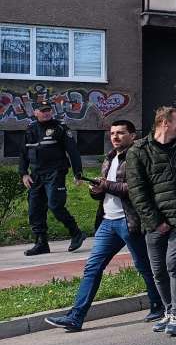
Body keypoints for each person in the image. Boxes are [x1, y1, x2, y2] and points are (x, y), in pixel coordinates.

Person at [44, 120, 163, 331]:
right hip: (108, 221)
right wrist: (96, 190)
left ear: (133, 136)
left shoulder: (139, 157)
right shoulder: (109, 158)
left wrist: (107, 185)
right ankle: (76, 317)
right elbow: (104, 192)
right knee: (92, 267)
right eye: (113, 133)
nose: (115, 137)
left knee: (144, 266)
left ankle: (159, 305)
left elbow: (137, 189)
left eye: (121, 133)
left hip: (130, 221)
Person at [127, 106, 176, 337]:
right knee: (158, 270)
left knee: (174, 265)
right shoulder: (139, 150)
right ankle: (168, 311)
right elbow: (137, 191)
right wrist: (155, 221)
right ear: (164, 122)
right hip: (154, 223)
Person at [20, 100, 86, 256]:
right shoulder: (30, 130)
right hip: (36, 175)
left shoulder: (60, 128)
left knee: (55, 205)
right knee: (34, 209)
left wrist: (78, 173)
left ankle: (76, 233)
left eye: (48, 109)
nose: (47, 112)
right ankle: (41, 243)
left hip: (55, 172)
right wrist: (23, 173)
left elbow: (73, 151)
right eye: (43, 110)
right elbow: (23, 154)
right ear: (35, 112)